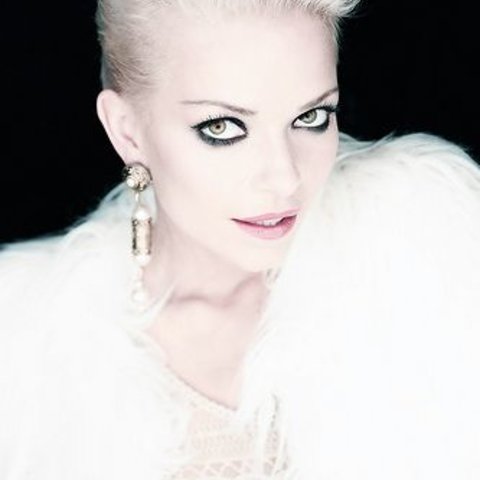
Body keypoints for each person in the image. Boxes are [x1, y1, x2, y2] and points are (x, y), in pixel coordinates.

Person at [1, 0, 479, 479]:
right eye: (223, 128)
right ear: (128, 132)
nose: (284, 178)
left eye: (312, 117)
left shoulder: (429, 285)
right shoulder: (25, 349)